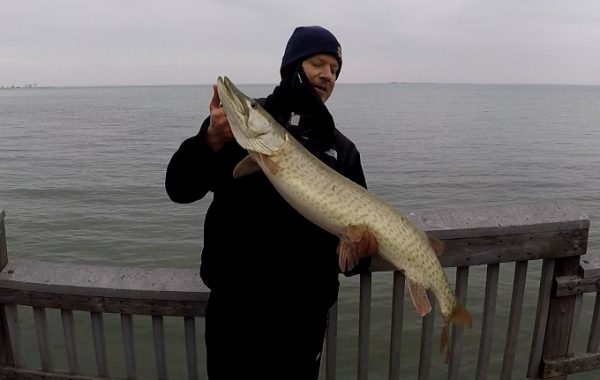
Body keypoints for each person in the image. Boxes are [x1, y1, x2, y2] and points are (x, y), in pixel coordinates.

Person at [165, 25, 377, 380]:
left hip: (302, 322)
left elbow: (354, 264)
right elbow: (179, 188)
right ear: (294, 64)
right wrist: (209, 141)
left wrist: (360, 251)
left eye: (335, 70)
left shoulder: (342, 151)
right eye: (318, 63)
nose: (327, 75)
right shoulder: (239, 125)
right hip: (235, 313)